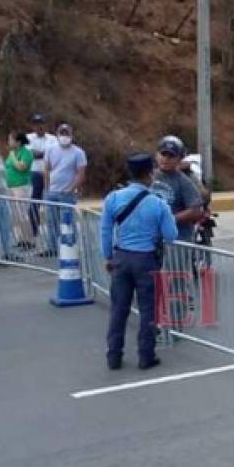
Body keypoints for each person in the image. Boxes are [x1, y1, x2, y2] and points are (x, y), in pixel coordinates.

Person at [100, 153, 178, 371]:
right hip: (146, 260)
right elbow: (171, 235)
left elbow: (105, 231)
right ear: (150, 174)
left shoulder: (113, 199)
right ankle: (146, 355)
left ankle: (113, 356)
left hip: (121, 258)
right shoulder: (158, 204)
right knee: (148, 310)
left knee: (118, 309)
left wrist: (108, 256)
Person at [42, 123, 87, 254]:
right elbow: (46, 168)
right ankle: (52, 248)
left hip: (67, 193)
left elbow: (81, 173)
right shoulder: (50, 149)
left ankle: (70, 245)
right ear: (57, 134)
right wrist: (47, 187)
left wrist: (72, 188)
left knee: (68, 221)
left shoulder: (78, 152)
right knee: (51, 221)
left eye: (66, 133)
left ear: (71, 135)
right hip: (52, 192)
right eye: (62, 133)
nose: (64, 136)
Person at [151, 136, 203, 242]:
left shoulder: (183, 181)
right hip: (151, 241)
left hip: (177, 243)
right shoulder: (148, 177)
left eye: (171, 156)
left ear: (179, 158)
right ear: (156, 155)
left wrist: (170, 219)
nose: (165, 159)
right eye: (163, 154)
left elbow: (196, 210)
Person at [26, 114, 57, 237]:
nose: (39, 127)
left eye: (41, 124)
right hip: (34, 174)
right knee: (34, 204)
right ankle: (34, 232)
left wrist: (42, 154)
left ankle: (53, 233)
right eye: (36, 124)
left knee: (51, 203)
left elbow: (53, 155)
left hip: (49, 174)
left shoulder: (52, 139)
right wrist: (45, 154)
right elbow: (30, 154)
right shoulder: (28, 137)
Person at [5, 132, 35, 247]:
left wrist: (12, 156)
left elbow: (21, 167)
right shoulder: (12, 153)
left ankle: (28, 239)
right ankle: (19, 239)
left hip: (21, 186)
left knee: (22, 213)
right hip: (11, 186)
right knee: (14, 215)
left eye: (10, 140)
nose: (9, 142)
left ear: (18, 142)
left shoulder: (25, 153)